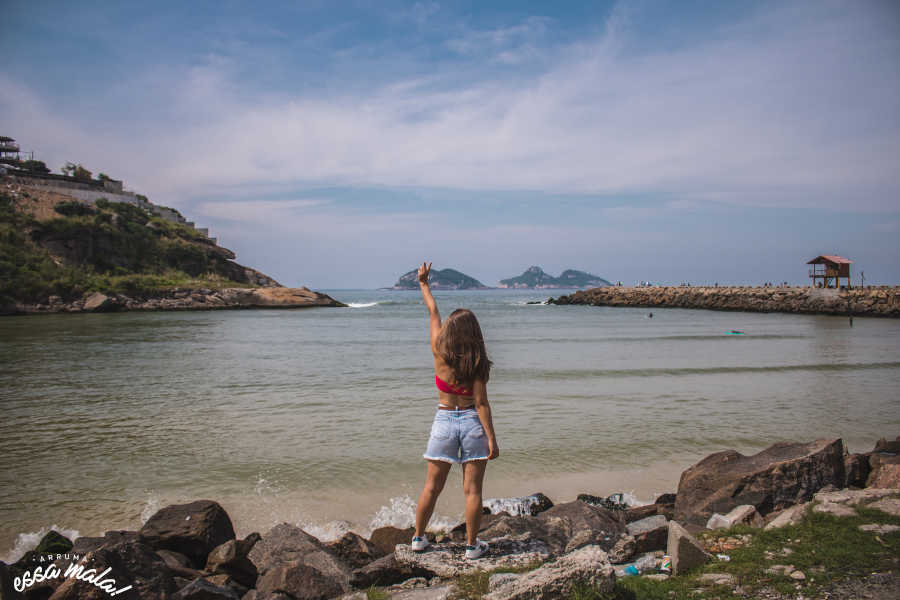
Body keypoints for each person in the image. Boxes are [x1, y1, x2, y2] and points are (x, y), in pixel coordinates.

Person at [412, 261, 499, 560]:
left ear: (450, 330)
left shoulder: (439, 350)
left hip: (444, 421)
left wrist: (424, 283)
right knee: (472, 491)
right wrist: (492, 439)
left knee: (432, 487)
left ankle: (418, 539)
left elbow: (433, 312)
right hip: (473, 424)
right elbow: (481, 404)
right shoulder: (477, 363)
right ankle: (472, 547)